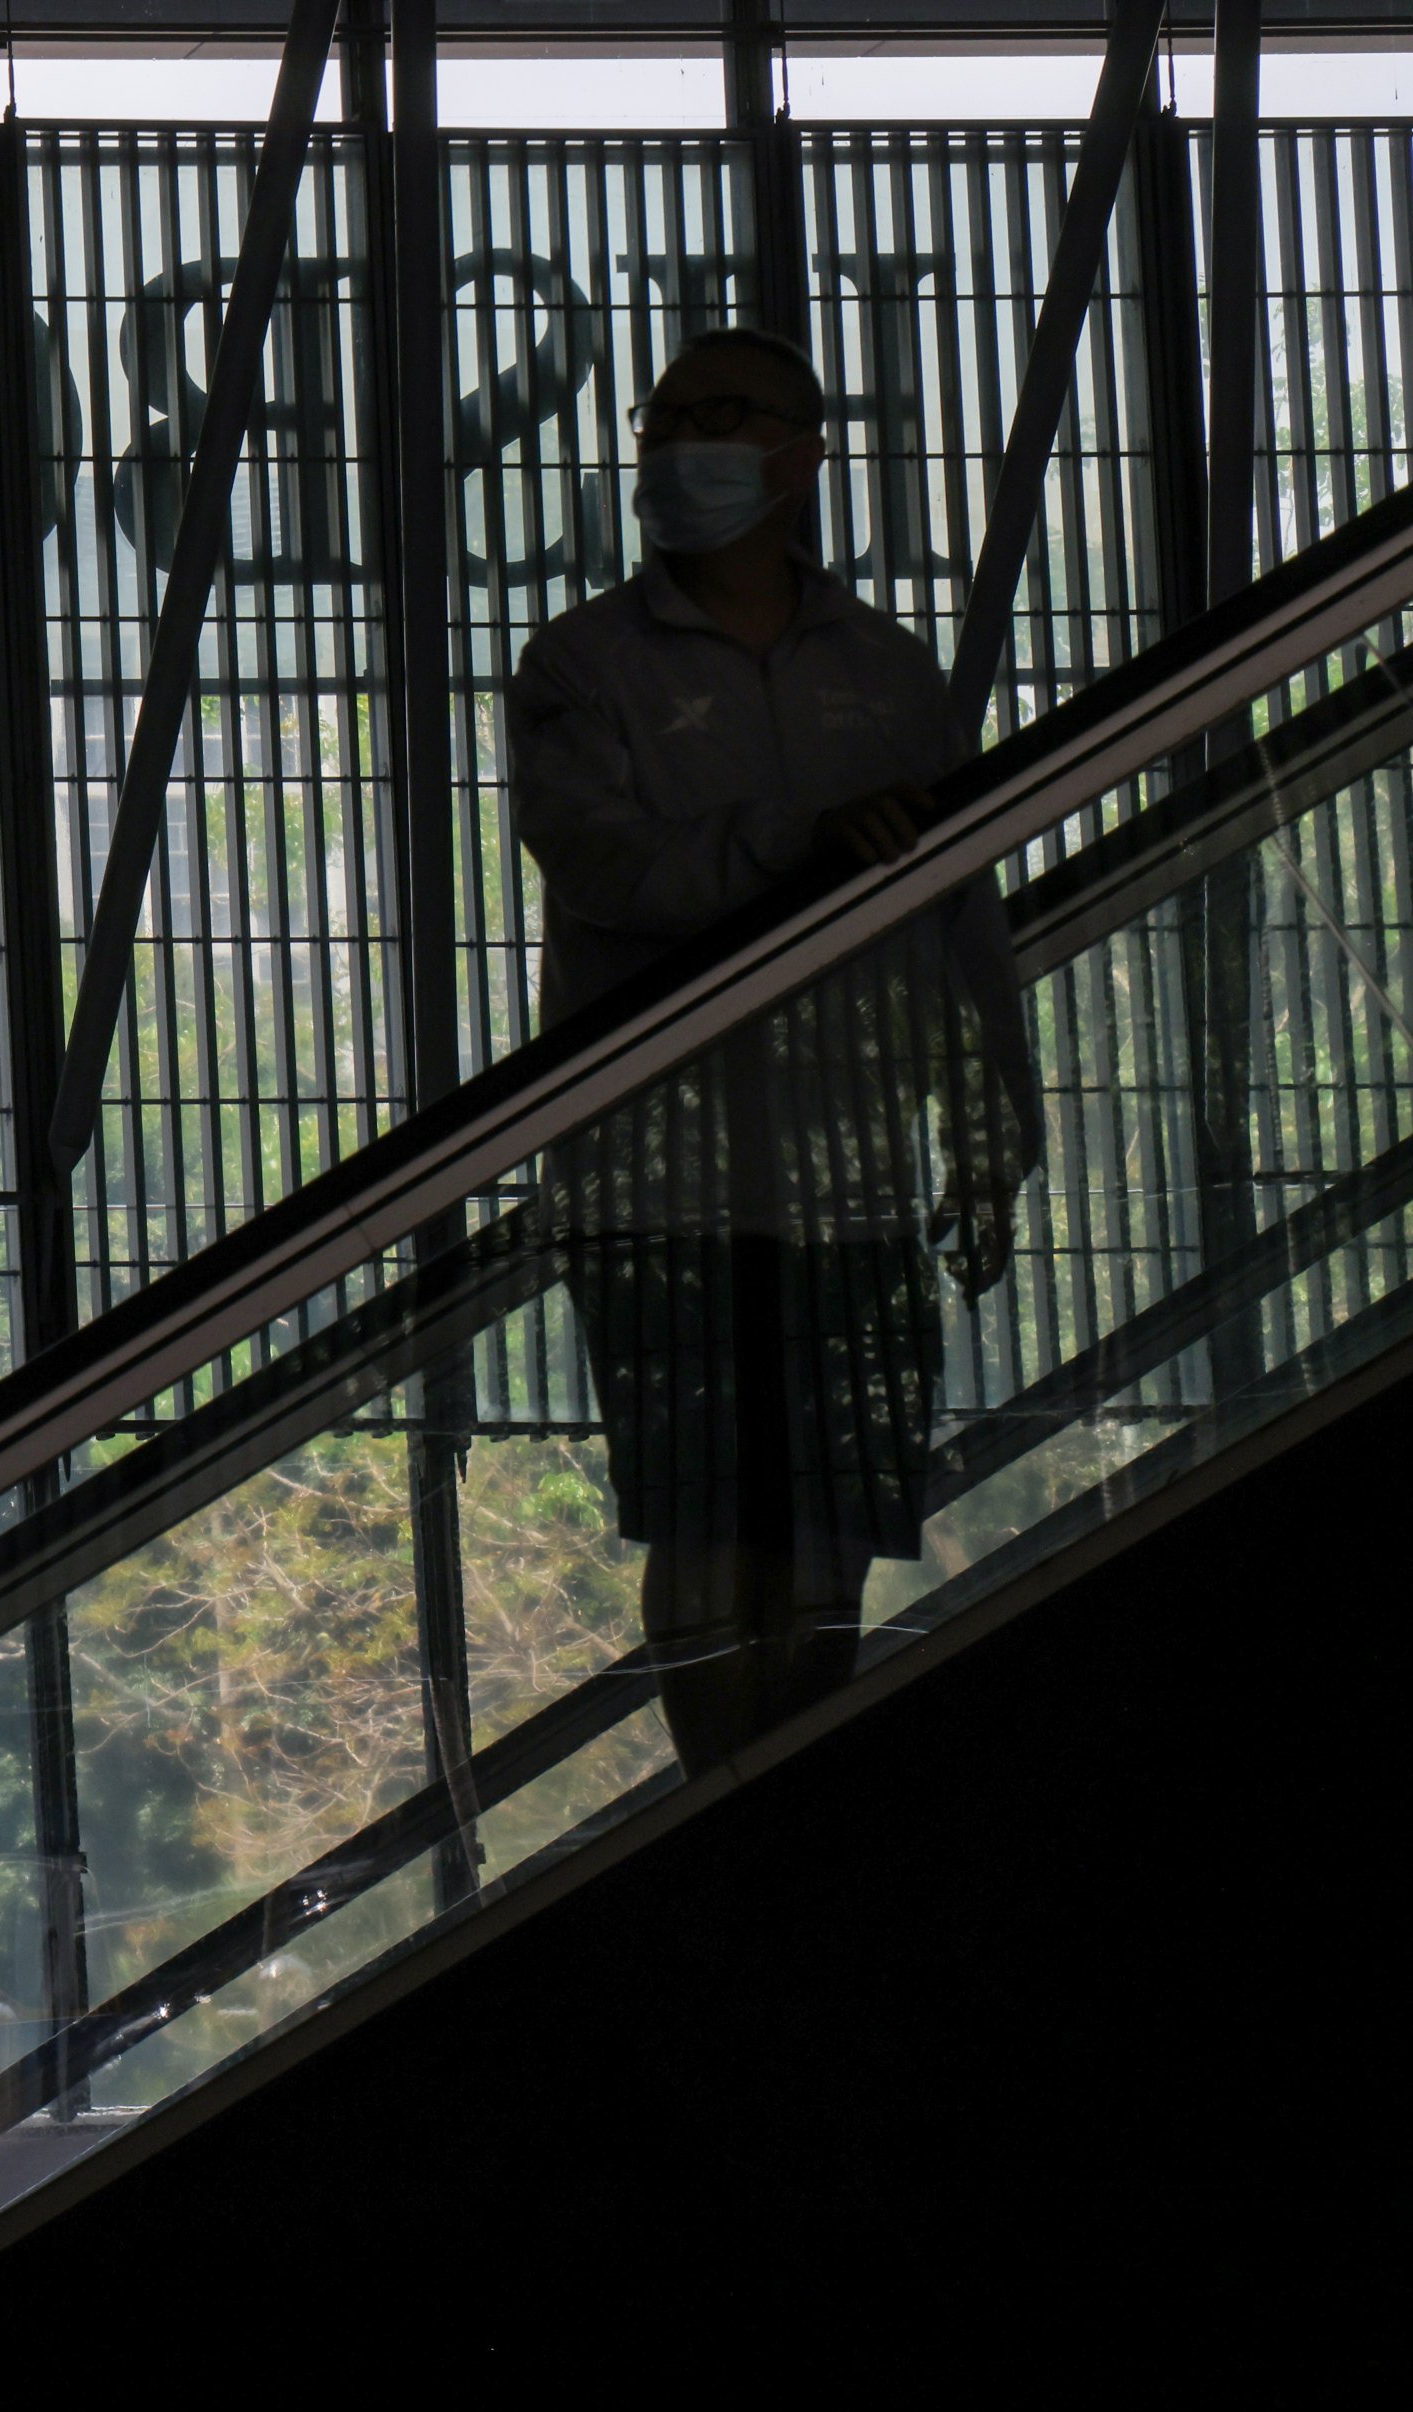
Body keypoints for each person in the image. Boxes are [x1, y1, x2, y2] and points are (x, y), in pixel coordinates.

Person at [508, 323, 1041, 1774]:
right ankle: (715, 1799)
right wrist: (790, 847)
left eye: (719, 416)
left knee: (825, 1533)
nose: (678, 446)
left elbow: (956, 914)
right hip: (653, 1184)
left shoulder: (881, 668)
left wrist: (987, 1129)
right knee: (697, 1522)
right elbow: (600, 864)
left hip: (848, 1174)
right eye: (661, 419)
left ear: (801, 452)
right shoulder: (580, 663)